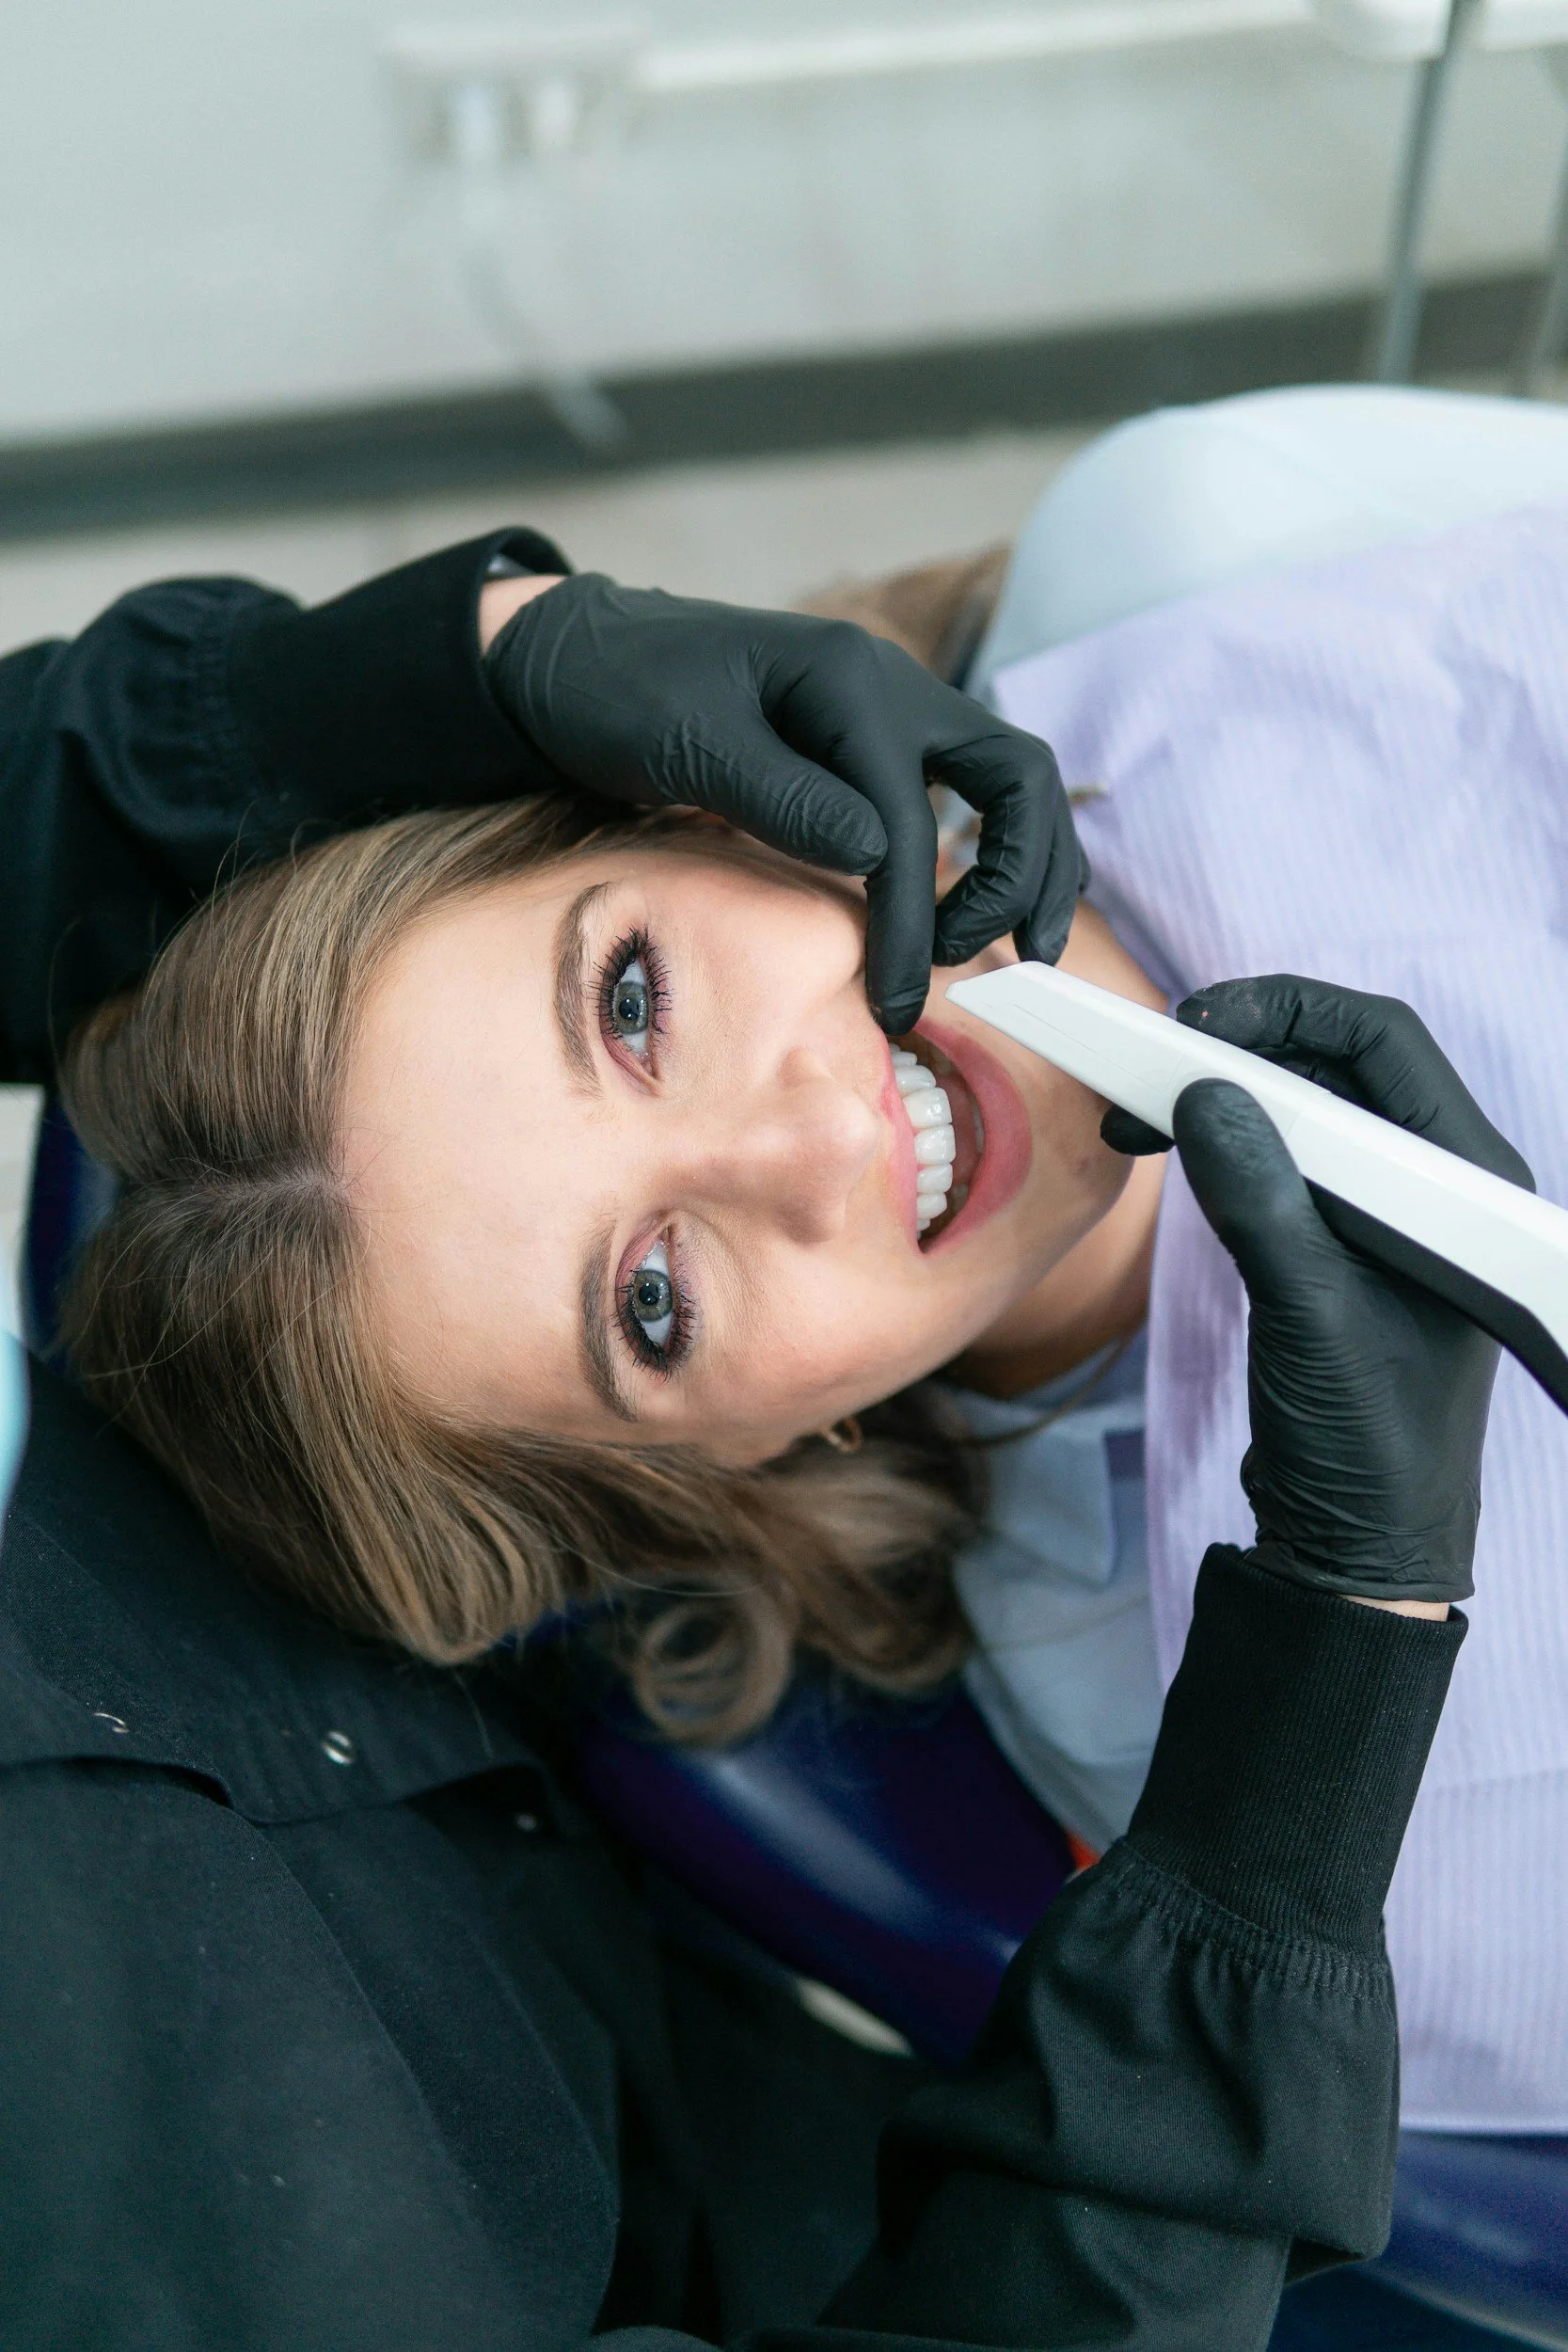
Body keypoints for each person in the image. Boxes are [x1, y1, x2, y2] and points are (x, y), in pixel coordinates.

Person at [0, 514, 1498, 2349]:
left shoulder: (1227, 543)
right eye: (652, 1301)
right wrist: (1334, 1668)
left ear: (677, 799)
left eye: (627, 996)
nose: (811, 1145)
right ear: (744, 1453)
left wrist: (490, 647)